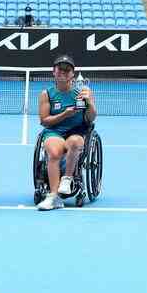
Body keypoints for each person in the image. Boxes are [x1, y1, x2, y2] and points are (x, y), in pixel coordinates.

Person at [36, 54, 97, 211]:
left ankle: (67, 179)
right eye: (60, 69)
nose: (63, 72)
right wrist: (64, 114)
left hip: (75, 132)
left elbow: (90, 119)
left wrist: (89, 103)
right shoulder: (46, 94)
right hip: (54, 131)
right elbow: (44, 120)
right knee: (55, 153)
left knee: (75, 143)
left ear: (73, 74)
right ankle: (53, 197)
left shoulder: (82, 92)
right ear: (53, 72)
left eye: (67, 70)